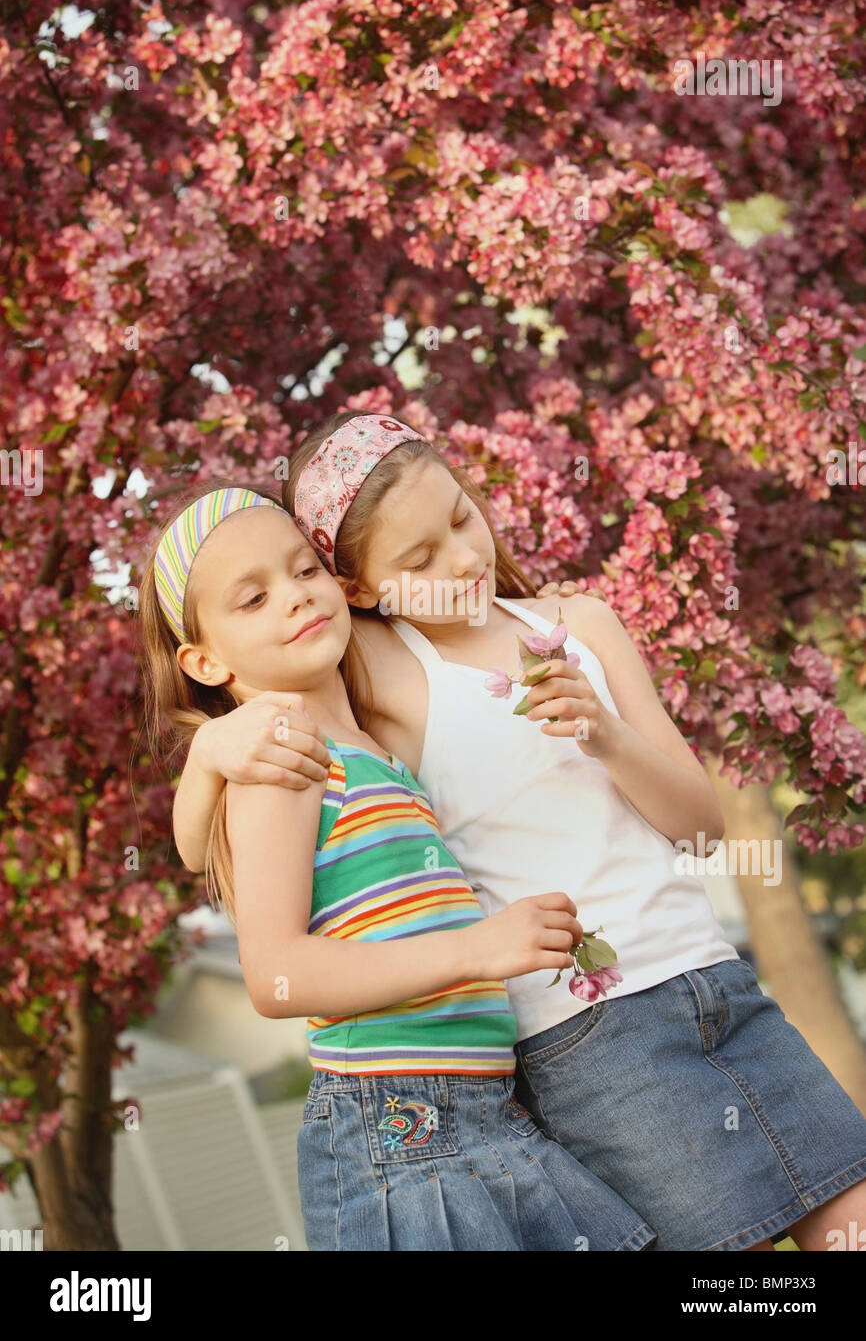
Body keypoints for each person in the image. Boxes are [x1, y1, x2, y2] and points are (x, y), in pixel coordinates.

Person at [171, 415, 866, 1251]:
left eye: (461, 518)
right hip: (592, 1035)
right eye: (417, 560)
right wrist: (209, 748)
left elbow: (704, 829)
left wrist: (605, 734)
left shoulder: (582, 624)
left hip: (719, 981)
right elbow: (263, 713)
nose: (461, 561)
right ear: (358, 590)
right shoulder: (382, 666)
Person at [138, 479, 655, 1253]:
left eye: (304, 570)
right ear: (204, 660)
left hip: (480, 1113)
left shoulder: (371, 752)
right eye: (253, 598)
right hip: (398, 1131)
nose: (295, 597)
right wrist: (478, 950)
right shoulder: (282, 751)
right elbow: (275, 974)